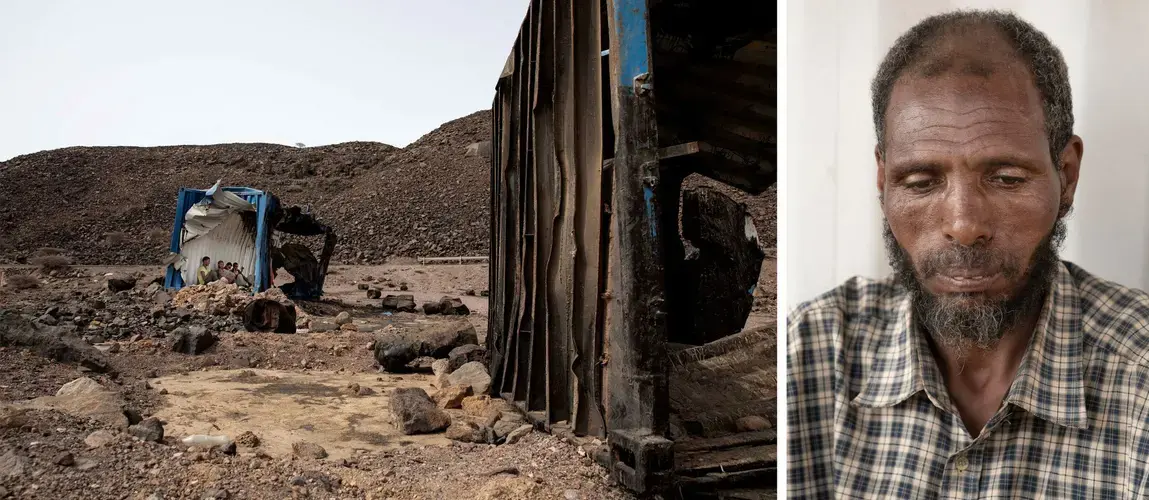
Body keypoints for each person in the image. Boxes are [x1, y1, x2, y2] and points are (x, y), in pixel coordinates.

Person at [787, 10, 1149, 499]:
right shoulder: (809, 355)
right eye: (920, 182)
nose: (963, 225)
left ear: (1066, 175)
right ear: (882, 180)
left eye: (1007, 179)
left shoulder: (1139, 378)